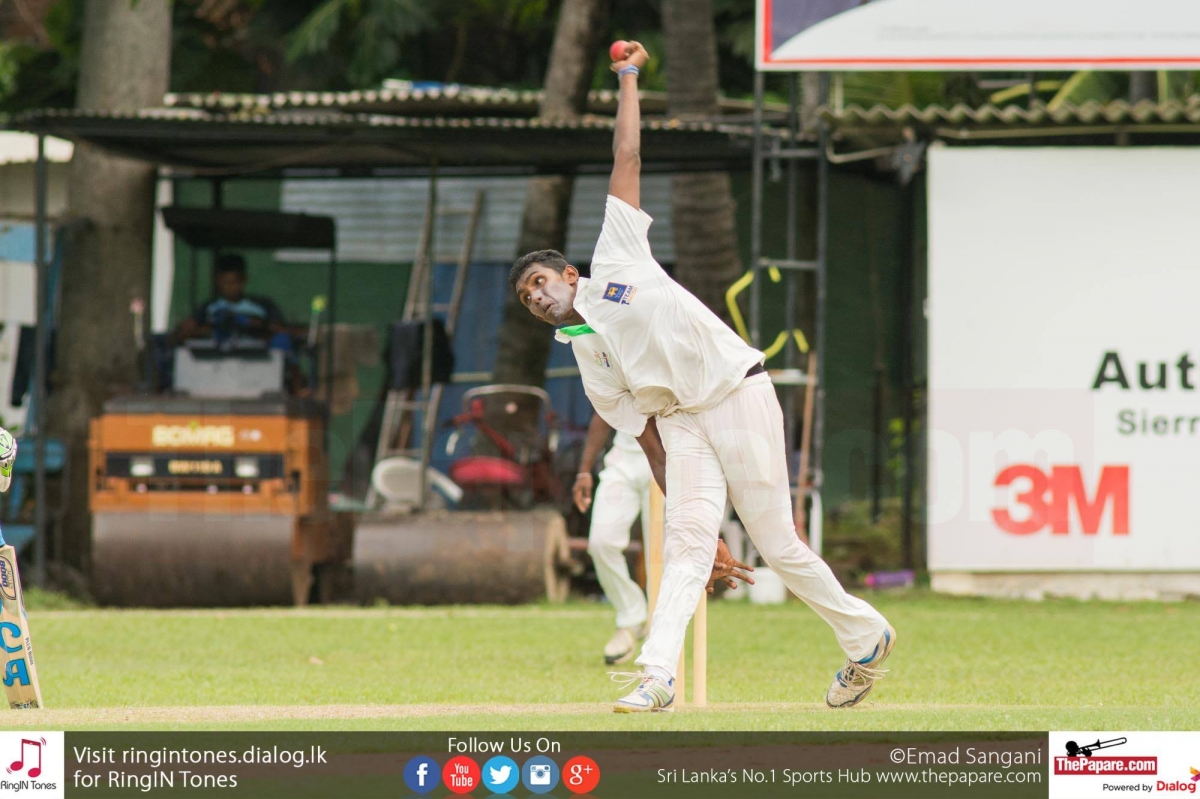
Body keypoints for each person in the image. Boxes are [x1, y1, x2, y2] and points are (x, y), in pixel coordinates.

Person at [510, 41, 896, 712]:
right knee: (686, 545)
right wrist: (702, 522)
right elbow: (647, 439)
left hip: (737, 391)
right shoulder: (586, 357)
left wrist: (629, 78)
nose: (538, 297)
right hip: (680, 423)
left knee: (778, 544)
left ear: (570, 274)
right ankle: (657, 676)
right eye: (526, 298)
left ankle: (866, 638)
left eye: (541, 282)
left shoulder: (617, 255)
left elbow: (626, 156)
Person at [575, 413, 653, 664]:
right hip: (624, 458)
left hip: (671, 454)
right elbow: (603, 410)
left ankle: (660, 633)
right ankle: (632, 617)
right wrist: (584, 471)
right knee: (602, 542)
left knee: (662, 554)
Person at [172, 254, 305, 392]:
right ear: (218, 281)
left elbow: (280, 330)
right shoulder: (209, 308)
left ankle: (298, 390)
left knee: (282, 341)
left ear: (243, 280)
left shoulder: (261, 306)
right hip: (215, 366)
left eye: (234, 282)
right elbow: (183, 333)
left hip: (257, 363)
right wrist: (213, 327)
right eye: (225, 282)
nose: (230, 287)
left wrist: (253, 324)